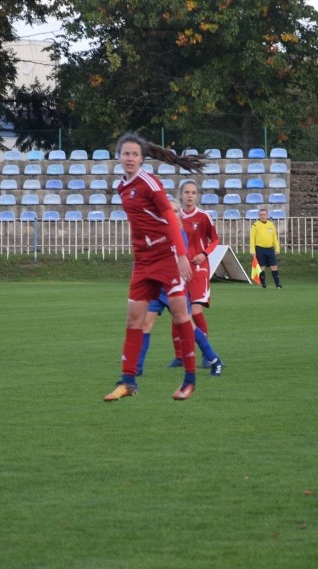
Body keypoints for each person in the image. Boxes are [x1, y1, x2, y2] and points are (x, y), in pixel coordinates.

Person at [103, 132, 206, 402]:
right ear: (119, 156)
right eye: (126, 153)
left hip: (167, 258)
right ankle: (128, 381)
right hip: (143, 262)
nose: (130, 158)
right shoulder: (122, 188)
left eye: (135, 154)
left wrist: (182, 255)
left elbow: (170, 217)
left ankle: (189, 380)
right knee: (134, 318)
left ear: (142, 158)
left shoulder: (150, 183)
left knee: (181, 315)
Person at [178, 179, 221, 367]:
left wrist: (204, 254)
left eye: (193, 193)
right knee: (179, 313)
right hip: (179, 271)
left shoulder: (204, 217)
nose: (189, 196)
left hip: (198, 270)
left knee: (195, 311)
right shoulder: (174, 217)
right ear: (181, 195)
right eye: (186, 192)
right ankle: (181, 356)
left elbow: (215, 240)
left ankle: (206, 354)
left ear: (197, 196)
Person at [249, 208, 282, 288]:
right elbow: (252, 239)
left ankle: (277, 284)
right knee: (262, 267)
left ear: (267, 216)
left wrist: (277, 248)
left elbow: (275, 238)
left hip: (270, 248)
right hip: (260, 248)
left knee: (273, 266)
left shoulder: (271, 225)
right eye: (261, 215)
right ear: (259, 216)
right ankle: (263, 283)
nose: (263, 216)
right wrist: (252, 250)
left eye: (264, 215)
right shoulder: (255, 225)